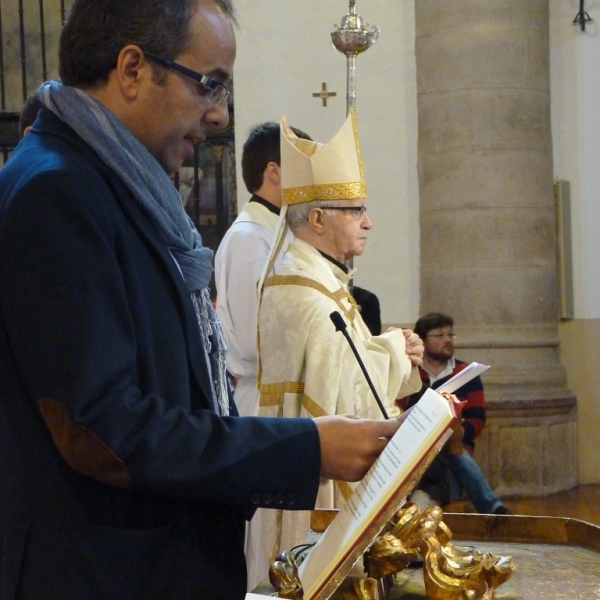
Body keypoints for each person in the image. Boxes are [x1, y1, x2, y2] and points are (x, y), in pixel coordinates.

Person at [0, 2, 406, 598]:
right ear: (132, 70)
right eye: (209, 85)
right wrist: (304, 447)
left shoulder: (113, 186)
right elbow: (105, 429)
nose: (218, 114)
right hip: (104, 572)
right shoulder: (57, 191)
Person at [254, 110, 424, 576]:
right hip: (312, 479)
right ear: (318, 217)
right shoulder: (304, 292)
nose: (369, 223)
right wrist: (394, 350)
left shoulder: (318, 277)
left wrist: (391, 347)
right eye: (357, 210)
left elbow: (347, 362)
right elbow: (336, 398)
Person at [215, 121, 311, 418]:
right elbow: (254, 338)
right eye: (305, 166)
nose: (313, 178)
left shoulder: (276, 231)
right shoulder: (250, 237)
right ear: (274, 172)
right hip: (261, 401)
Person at [401, 312, 511, 515]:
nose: (447, 340)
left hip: (454, 442)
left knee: (449, 446)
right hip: (415, 441)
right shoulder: (411, 372)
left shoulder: (465, 373)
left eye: (450, 335)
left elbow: (477, 418)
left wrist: (458, 433)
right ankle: (492, 507)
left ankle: (421, 505)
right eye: (439, 335)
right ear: (423, 340)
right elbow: (397, 410)